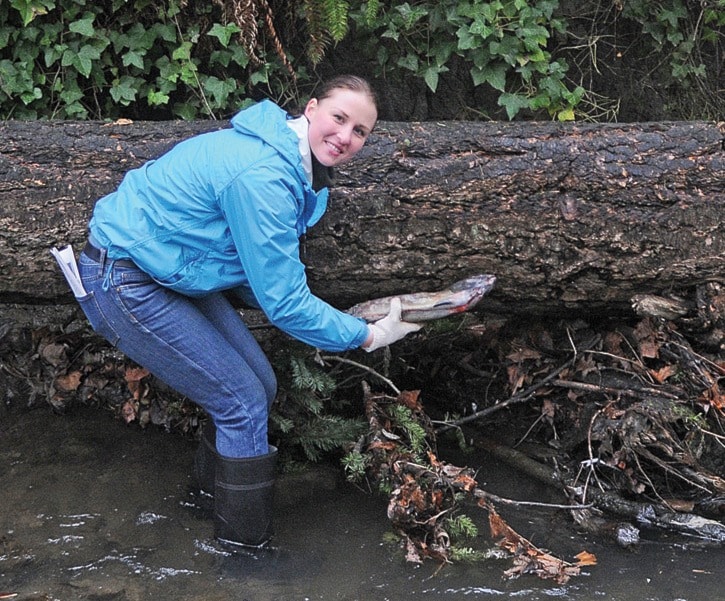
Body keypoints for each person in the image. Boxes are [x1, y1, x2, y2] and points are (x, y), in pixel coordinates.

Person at [75, 75, 421, 549]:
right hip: (123, 277)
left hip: (171, 269)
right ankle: (243, 558)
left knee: (260, 386)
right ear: (311, 108)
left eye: (360, 131)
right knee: (241, 404)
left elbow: (265, 277)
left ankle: (206, 505)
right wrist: (364, 336)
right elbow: (282, 303)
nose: (345, 137)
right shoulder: (264, 174)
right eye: (339, 119)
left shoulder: (297, 166)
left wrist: (339, 319)